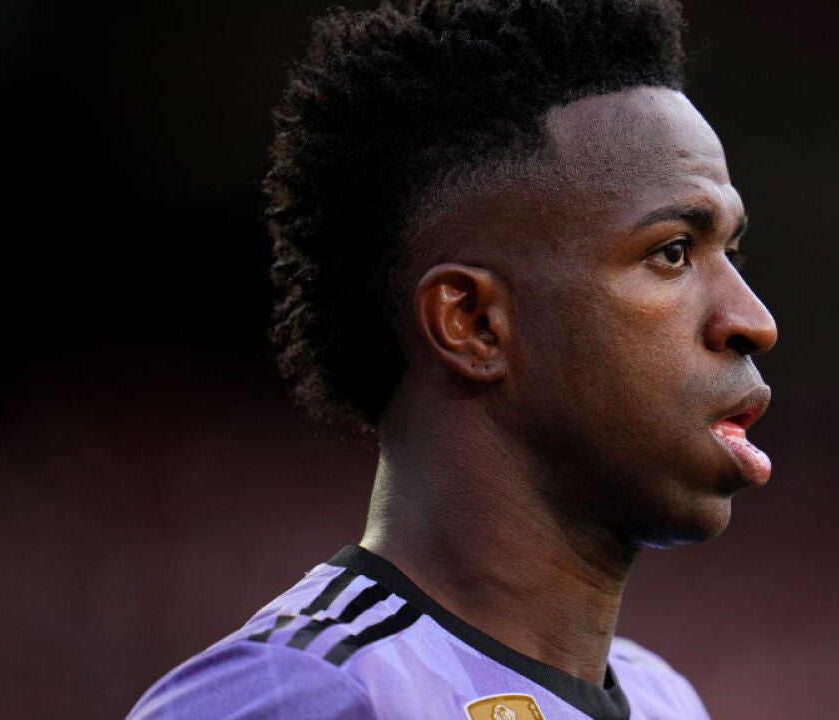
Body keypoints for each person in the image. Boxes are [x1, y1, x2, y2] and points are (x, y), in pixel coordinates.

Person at [128, 1, 776, 718]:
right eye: (673, 252)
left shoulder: (666, 701)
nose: (753, 321)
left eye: (732, 253)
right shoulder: (308, 694)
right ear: (472, 324)